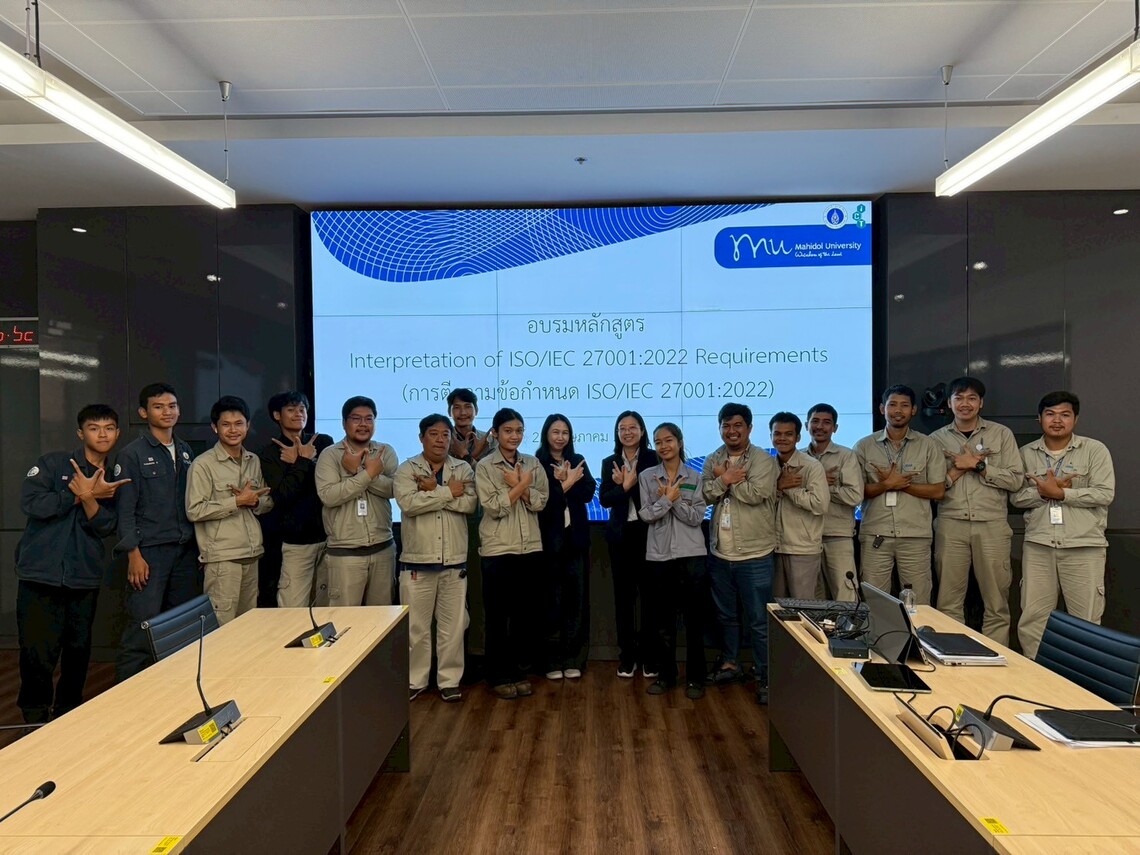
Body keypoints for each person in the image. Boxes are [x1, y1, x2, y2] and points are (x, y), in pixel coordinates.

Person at [15, 405, 128, 722]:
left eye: (109, 428)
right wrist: (76, 496)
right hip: (40, 575)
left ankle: (68, 715)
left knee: (77, 653)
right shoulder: (53, 464)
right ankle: (35, 718)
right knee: (37, 652)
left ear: (117, 433)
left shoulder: (115, 478)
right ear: (81, 433)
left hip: (84, 576)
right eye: (94, 428)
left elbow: (107, 526)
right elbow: (32, 504)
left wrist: (89, 497)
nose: (102, 434)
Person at [1012, 391, 1115, 659]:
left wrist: (1062, 494)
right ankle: (1036, 675)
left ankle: (1082, 678)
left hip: (1083, 546)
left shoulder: (1094, 450)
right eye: (1050, 414)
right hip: (1039, 546)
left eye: (1064, 414)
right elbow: (1016, 497)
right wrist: (1043, 492)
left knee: (1086, 621)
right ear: (1039, 418)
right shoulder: (1025, 453)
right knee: (1033, 617)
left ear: (1075, 419)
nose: (1057, 420)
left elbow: (1104, 494)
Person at [114, 383, 200, 682]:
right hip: (149, 553)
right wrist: (133, 554)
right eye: (158, 407)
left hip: (184, 551)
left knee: (182, 627)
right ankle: (126, 696)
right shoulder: (131, 454)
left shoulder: (186, 451)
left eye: (172, 406)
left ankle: (174, 690)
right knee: (142, 628)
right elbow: (125, 510)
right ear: (143, 412)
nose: (167, 412)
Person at [931, 377, 1023, 645]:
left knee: (996, 602)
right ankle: (952, 656)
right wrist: (958, 469)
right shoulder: (935, 439)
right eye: (958, 398)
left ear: (981, 403)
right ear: (949, 403)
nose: (965, 404)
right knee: (948, 601)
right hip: (950, 524)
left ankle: (998, 659)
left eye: (972, 398)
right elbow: (932, 487)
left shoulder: (1001, 434)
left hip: (991, 524)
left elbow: (1015, 480)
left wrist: (979, 466)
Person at [394, 414, 477, 702]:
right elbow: (408, 504)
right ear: (421, 438)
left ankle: (449, 681)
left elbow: (469, 503)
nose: (440, 440)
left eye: (445, 435)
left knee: (453, 627)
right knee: (416, 628)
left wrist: (433, 491)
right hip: (417, 561)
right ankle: (416, 680)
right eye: (433, 434)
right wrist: (448, 493)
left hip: (454, 561)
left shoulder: (462, 468)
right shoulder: (407, 469)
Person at [701, 402, 779, 703]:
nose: (731, 431)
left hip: (754, 554)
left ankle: (765, 678)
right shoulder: (713, 458)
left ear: (749, 428)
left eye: (737, 425)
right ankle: (731, 664)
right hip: (720, 553)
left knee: (759, 621)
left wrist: (726, 480)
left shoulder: (763, 459)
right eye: (726, 425)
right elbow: (705, 494)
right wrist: (726, 478)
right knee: (726, 616)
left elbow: (757, 494)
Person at [475, 408, 549, 700]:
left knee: (523, 616)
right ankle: (497, 675)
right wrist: (520, 486)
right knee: (497, 616)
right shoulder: (485, 466)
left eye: (519, 431)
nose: (514, 436)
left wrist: (521, 488)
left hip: (529, 548)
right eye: (508, 431)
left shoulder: (532, 463)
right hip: (498, 550)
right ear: (495, 433)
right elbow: (493, 507)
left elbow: (541, 502)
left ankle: (518, 672)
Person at [853, 385, 946, 605]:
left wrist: (901, 485)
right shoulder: (864, 446)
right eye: (892, 404)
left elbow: (938, 491)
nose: (898, 410)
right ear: (882, 409)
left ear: (913, 410)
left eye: (904, 405)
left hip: (915, 536)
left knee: (918, 602)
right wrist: (886, 484)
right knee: (875, 602)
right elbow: (856, 492)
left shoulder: (928, 445)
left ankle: (916, 631)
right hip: (876, 534)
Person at [186, 396, 273, 625]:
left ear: (248, 426)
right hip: (223, 558)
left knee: (246, 626)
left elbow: (267, 502)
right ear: (215, 427)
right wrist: (236, 502)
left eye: (239, 424)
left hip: (252, 553)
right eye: (226, 424)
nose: (233, 430)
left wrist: (254, 502)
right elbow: (194, 510)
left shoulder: (253, 460)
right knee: (221, 626)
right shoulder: (203, 464)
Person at [640, 423, 709, 699]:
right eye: (658, 442)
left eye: (668, 440)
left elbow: (696, 517)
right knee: (662, 623)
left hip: (691, 556)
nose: (663, 446)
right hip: (660, 557)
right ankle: (666, 676)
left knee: (694, 622)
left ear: (679, 442)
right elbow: (646, 515)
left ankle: (695, 679)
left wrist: (673, 500)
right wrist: (667, 501)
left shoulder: (695, 476)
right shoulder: (647, 477)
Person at [314, 396, 399, 606]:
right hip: (344, 554)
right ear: (344, 423)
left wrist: (359, 471)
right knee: (343, 619)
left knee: (381, 620)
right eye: (356, 419)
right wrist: (368, 474)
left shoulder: (385, 452)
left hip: (383, 549)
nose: (363, 424)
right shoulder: (330, 455)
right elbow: (329, 496)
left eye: (369, 419)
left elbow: (394, 490)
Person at [258, 391, 334, 609]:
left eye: (302, 409)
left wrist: (302, 462)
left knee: (327, 608)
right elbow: (282, 495)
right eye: (291, 410)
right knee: (292, 609)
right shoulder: (270, 452)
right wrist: (303, 461)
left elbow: (327, 484)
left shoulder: (323, 442)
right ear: (277, 415)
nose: (298, 414)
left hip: (329, 539)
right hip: (295, 542)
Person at [598, 410, 659, 678]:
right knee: (623, 599)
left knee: (650, 598)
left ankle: (649, 657)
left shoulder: (653, 459)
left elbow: (654, 496)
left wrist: (628, 485)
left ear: (642, 431)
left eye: (632, 427)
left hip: (648, 534)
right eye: (622, 428)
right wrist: (622, 488)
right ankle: (627, 657)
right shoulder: (609, 461)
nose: (627, 432)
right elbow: (605, 500)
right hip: (620, 536)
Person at [536, 413, 596, 681]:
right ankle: (551, 660)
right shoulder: (537, 462)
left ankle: (574, 658)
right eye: (555, 432)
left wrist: (570, 483)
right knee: (552, 601)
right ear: (546, 434)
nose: (560, 437)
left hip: (576, 541)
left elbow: (588, 493)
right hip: (549, 543)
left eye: (565, 432)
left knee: (576, 601)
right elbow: (544, 502)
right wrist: (565, 484)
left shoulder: (578, 459)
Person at [447, 387, 496, 669]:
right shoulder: (442, 439)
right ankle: (453, 659)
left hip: (486, 524)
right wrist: (465, 457)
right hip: (451, 524)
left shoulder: (491, 441)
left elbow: (491, 481)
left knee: (480, 592)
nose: (462, 412)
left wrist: (471, 457)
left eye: (467, 407)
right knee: (453, 596)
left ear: (476, 410)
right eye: (457, 407)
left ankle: (479, 655)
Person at [805, 404, 864, 601]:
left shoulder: (846, 456)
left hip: (837, 536)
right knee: (813, 598)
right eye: (815, 421)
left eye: (826, 422)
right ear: (806, 425)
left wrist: (819, 485)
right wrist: (820, 480)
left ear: (835, 428)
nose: (820, 427)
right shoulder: (799, 457)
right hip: (806, 538)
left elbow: (855, 496)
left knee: (845, 595)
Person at [770, 412, 830, 599]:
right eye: (777, 434)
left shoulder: (811, 466)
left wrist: (790, 490)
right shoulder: (768, 466)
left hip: (802, 548)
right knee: (776, 608)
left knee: (803, 606)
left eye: (788, 434)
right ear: (771, 436)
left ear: (797, 437)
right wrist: (777, 486)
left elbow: (820, 504)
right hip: (772, 548)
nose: (782, 438)